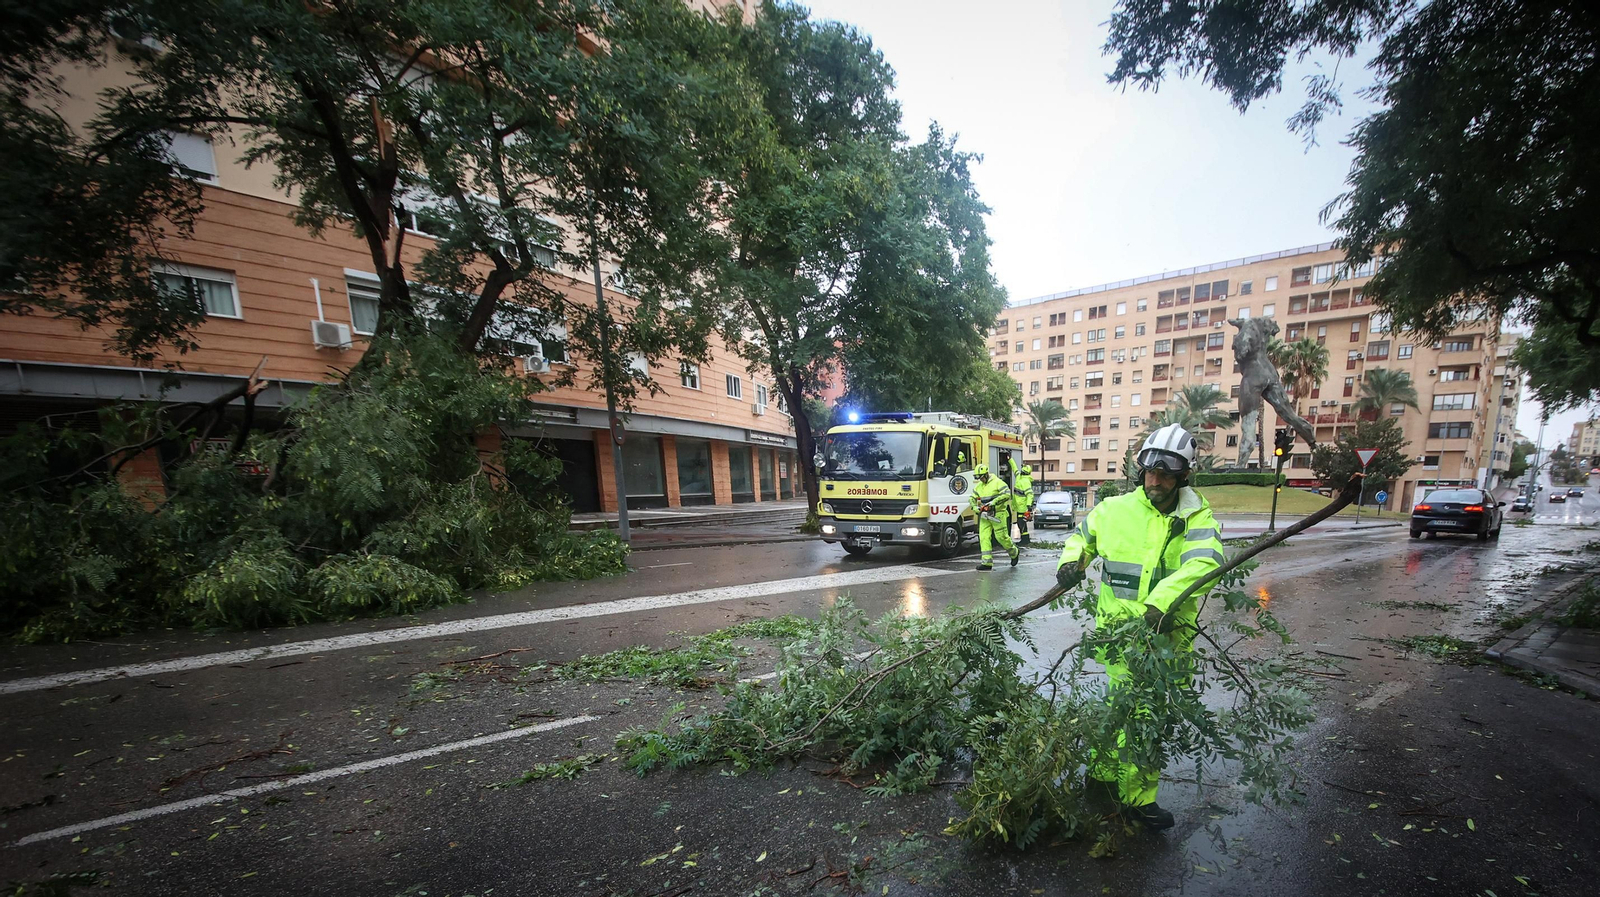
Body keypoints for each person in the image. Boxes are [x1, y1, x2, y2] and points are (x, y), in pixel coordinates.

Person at [1053, 423, 1225, 830]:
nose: (1156, 481)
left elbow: (1205, 564)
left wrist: (1160, 605)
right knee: (1115, 709)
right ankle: (1101, 778)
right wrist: (1071, 562)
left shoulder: (1197, 516)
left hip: (1164, 640)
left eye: (1165, 474)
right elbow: (1083, 536)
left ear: (1184, 475)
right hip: (1117, 638)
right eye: (1150, 472)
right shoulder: (1114, 509)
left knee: (1146, 717)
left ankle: (1137, 799)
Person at [968, 463, 1019, 571]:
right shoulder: (979, 486)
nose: (980, 479)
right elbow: (972, 499)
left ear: (986, 474)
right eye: (979, 478)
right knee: (984, 538)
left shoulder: (997, 483)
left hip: (998, 514)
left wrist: (992, 504)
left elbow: (1007, 494)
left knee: (1001, 538)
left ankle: (1014, 552)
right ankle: (987, 563)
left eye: (981, 477)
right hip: (985, 516)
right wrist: (975, 508)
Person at [1012, 463, 1036, 546]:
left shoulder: (1025, 481)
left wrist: (1029, 506)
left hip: (1022, 507)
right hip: (1019, 506)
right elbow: (1014, 469)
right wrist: (1010, 460)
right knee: (1021, 523)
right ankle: (1025, 539)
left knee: (1020, 522)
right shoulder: (1020, 477)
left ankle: (1025, 539)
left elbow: (1030, 494)